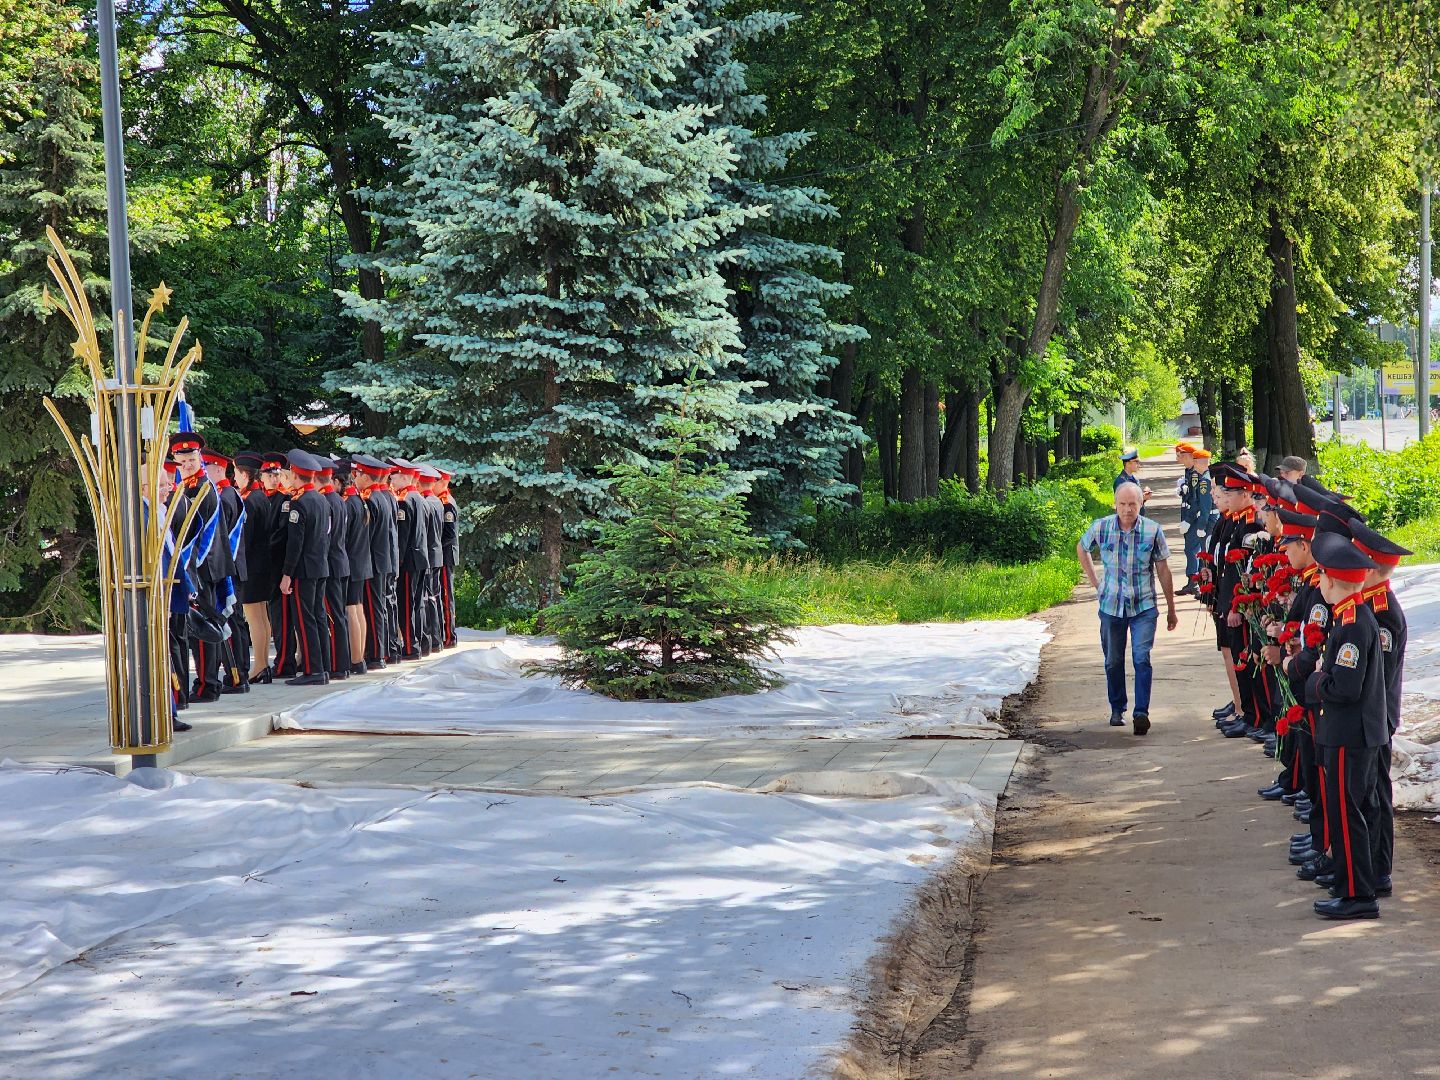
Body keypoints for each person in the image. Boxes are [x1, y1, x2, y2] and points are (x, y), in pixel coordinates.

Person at [1305, 529, 1387, 920]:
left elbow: (1345, 687)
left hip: (1349, 733)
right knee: (1351, 810)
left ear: (1333, 580)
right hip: (1352, 731)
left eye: (1321, 575)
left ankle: (1357, 894)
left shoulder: (1353, 624)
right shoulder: (1349, 617)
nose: (1318, 582)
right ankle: (1351, 885)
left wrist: (1318, 678)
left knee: (1347, 812)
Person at [1076, 482, 1178, 736]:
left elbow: (1163, 570)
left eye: (1132, 504)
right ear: (1115, 504)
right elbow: (1082, 547)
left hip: (1143, 605)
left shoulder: (1152, 531)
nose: (1127, 509)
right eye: (1122, 504)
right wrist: (1096, 583)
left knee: (1141, 657)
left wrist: (1171, 608)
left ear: (1141, 504)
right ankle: (1117, 707)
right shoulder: (1102, 527)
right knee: (1113, 660)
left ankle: (1141, 712)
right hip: (1111, 606)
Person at [278, 450, 332, 687]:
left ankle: (312, 669)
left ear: (296, 475)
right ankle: (324, 666)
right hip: (321, 566)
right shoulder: (321, 499)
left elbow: (295, 543)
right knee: (319, 617)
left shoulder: (299, 504)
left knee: (305, 619)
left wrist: (287, 574)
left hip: (304, 570)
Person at [1113, 448, 1153, 513]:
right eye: (1136, 462)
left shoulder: (1134, 479)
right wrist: (1142, 498)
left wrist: (1144, 496)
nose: (1139, 465)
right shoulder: (1121, 481)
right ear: (1128, 463)